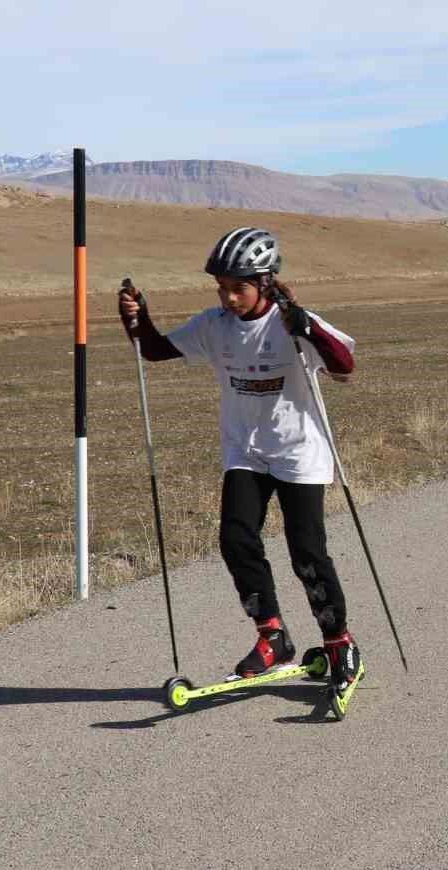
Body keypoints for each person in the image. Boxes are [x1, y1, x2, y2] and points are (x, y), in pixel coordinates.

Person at [117, 227, 365, 699]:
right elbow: (155, 349)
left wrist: (305, 326)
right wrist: (137, 318)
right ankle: (273, 637)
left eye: (239, 288)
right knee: (235, 539)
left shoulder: (292, 323)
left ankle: (339, 644)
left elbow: (343, 366)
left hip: (298, 453)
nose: (228, 297)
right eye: (222, 288)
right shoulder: (215, 326)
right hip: (245, 450)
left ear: (266, 283)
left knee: (307, 553)